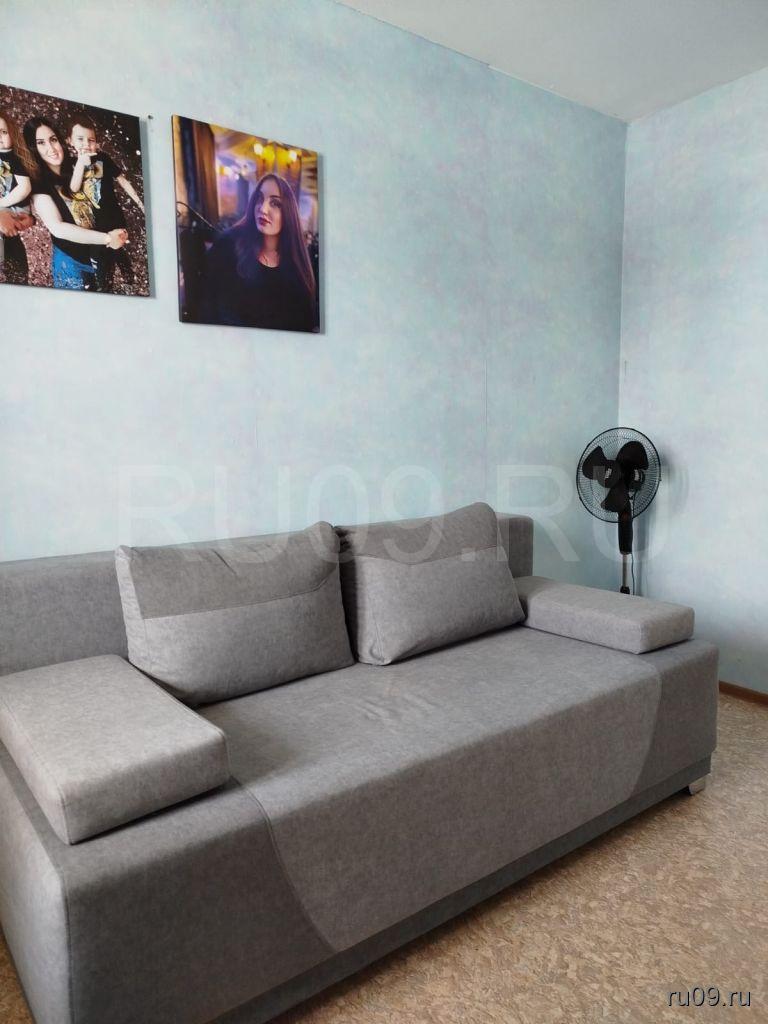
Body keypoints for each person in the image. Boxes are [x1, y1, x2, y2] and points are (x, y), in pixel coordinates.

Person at [199, 173, 317, 331]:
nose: (263, 208)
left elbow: (304, 323)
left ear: (288, 213)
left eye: (275, 203)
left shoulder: (296, 267)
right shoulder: (228, 246)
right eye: (259, 199)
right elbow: (207, 307)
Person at [21, 116, 127, 291]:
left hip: (101, 256)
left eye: (53, 139)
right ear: (33, 148)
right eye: (41, 143)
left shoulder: (78, 163)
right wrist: (108, 238)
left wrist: (118, 228)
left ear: (61, 140)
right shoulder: (38, 182)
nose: (51, 148)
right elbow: (57, 228)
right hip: (72, 264)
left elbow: (104, 196)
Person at [68, 113, 144, 292]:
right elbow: (73, 188)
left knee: (118, 250)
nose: (86, 144)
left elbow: (122, 180)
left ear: (97, 142)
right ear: (70, 141)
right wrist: (81, 164)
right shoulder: (71, 164)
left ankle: (129, 277)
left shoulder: (103, 158)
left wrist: (140, 203)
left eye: (91, 140)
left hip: (113, 218)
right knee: (102, 260)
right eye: (80, 139)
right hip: (93, 226)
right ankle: (106, 289)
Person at [0, 110, 32, 284]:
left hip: (14, 208)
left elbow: (24, 188)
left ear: (12, 134)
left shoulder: (13, 158)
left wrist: (1, 204)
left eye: (3, 132)